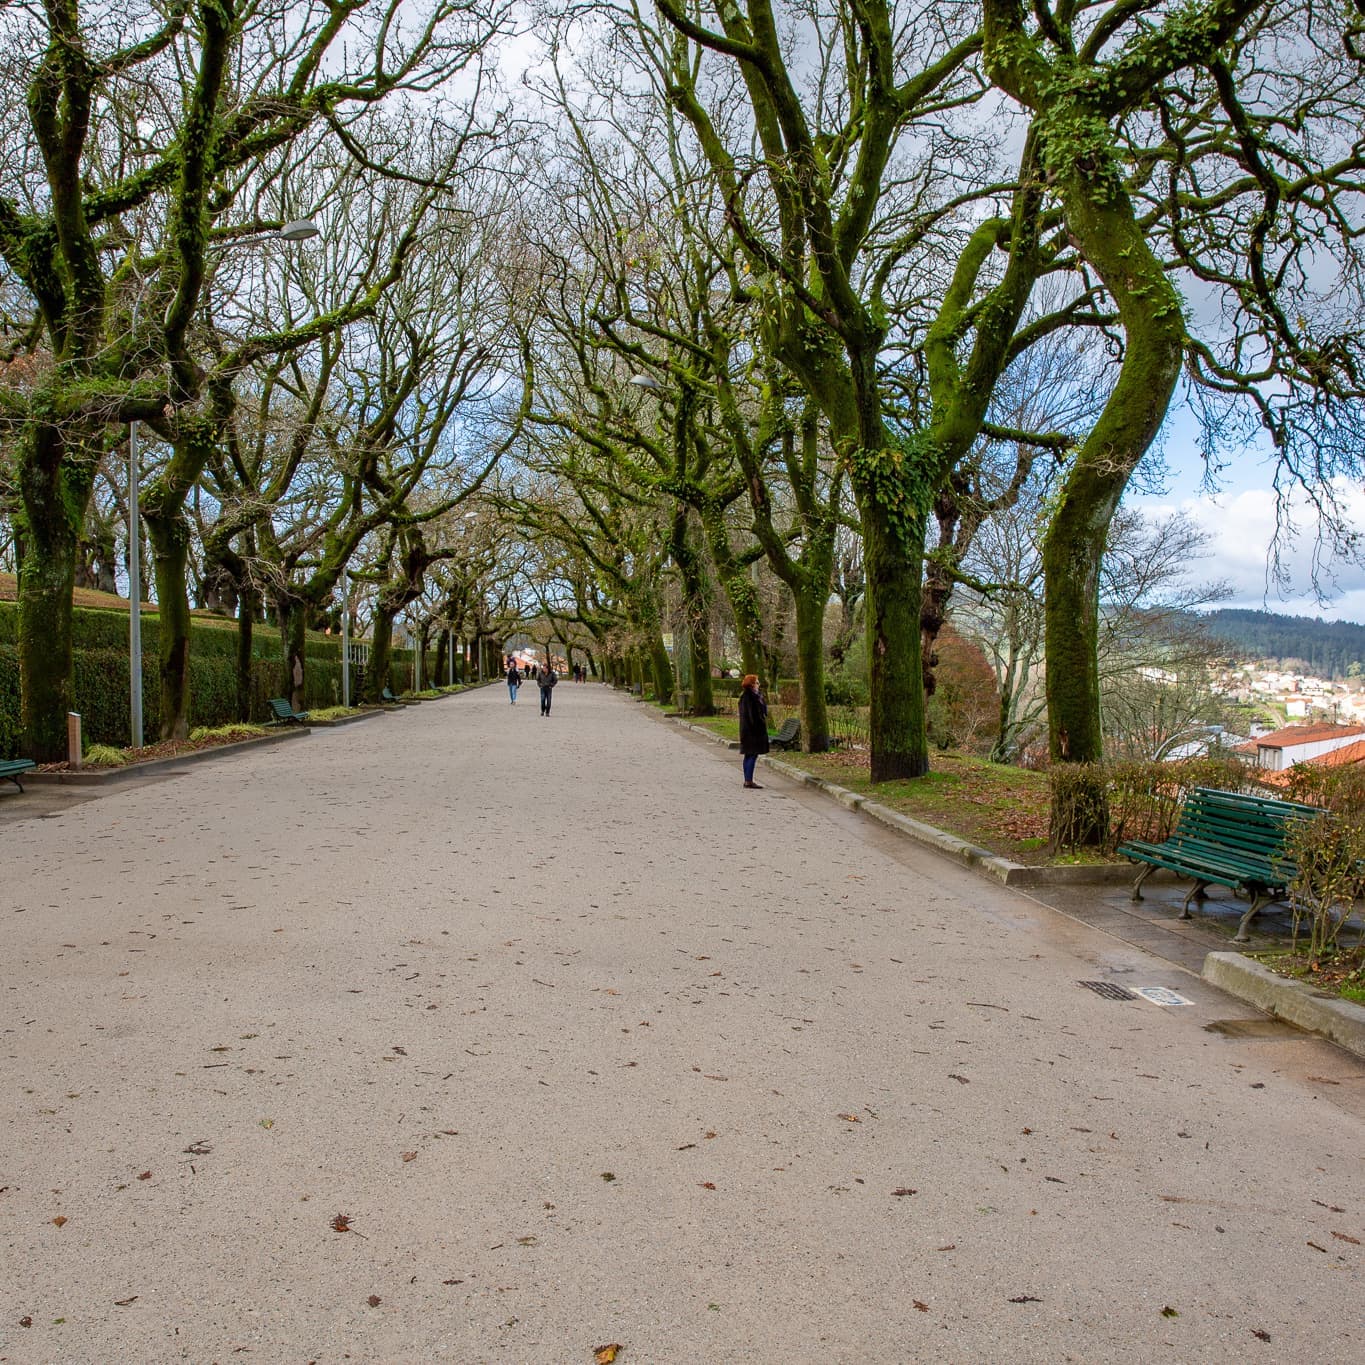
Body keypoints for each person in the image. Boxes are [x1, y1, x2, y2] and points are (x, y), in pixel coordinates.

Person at [737, 674, 769, 788]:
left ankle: (747, 779)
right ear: (751, 684)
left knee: (749, 755)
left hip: (748, 731)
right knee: (752, 755)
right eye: (757, 682)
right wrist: (758, 726)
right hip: (752, 732)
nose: (758, 684)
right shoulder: (749, 697)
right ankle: (748, 780)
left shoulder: (751, 696)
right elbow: (752, 716)